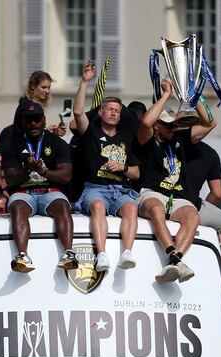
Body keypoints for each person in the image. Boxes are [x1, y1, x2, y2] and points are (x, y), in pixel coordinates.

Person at [135, 78, 215, 284]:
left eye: (174, 126)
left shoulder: (180, 140)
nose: (173, 129)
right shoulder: (147, 140)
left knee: (193, 217)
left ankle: (176, 260)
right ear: (157, 126)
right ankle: (171, 254)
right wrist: (165, 95)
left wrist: (188, 94)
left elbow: (210, 122)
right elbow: (145, 122)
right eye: (168, 125)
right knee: (156, 210)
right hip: (152, 192)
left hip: (178, 196)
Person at [72, 59, 140, 272]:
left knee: (131, 207)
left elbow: (137, 173)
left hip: (120, 190)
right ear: (100, 112)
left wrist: (123, 168)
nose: (113, 113)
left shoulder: (125, 139)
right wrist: (84, 82)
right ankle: (101, 255)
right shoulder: (91, 133)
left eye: (117, 111)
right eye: (109, 109)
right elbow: (77, 113)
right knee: (98, 206)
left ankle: (127, 253)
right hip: (96, 188)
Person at [2, 99, 77, 273]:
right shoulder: (12, 144)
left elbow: (66, 176)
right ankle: (22, 255)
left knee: (62, 205)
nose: (33, 123)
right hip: (23, 191)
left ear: (43, 119)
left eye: (36, 119)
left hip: (50, 191)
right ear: (22, 121)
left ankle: (68, 253)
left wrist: (44, 172)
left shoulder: (58, 143)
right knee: (17, 207)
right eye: (28, 120)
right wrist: (27, 169)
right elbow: (10, 179)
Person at [183, 141, 221, 248]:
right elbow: (217, 193)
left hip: (157, 201)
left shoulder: (166, 141)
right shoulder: (209, 153)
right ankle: (197, 255)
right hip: (192, 206)